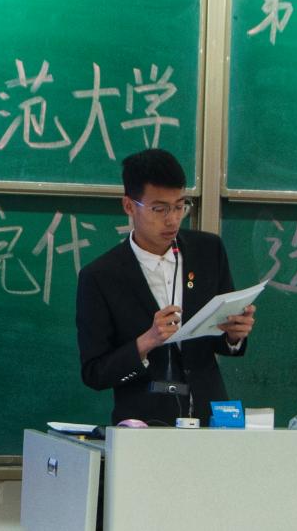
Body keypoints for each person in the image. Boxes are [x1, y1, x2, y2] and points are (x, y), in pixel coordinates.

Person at [76, 148, 256, 426]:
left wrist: (234, 335)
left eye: (180, 206)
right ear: (129, 206)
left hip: (212, 421)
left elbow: (220, 339)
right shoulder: (101, 276)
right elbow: (95, 373)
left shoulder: (208, 251)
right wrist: (146, 342)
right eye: (159, 209)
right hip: (145, 426)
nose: (172, 219)